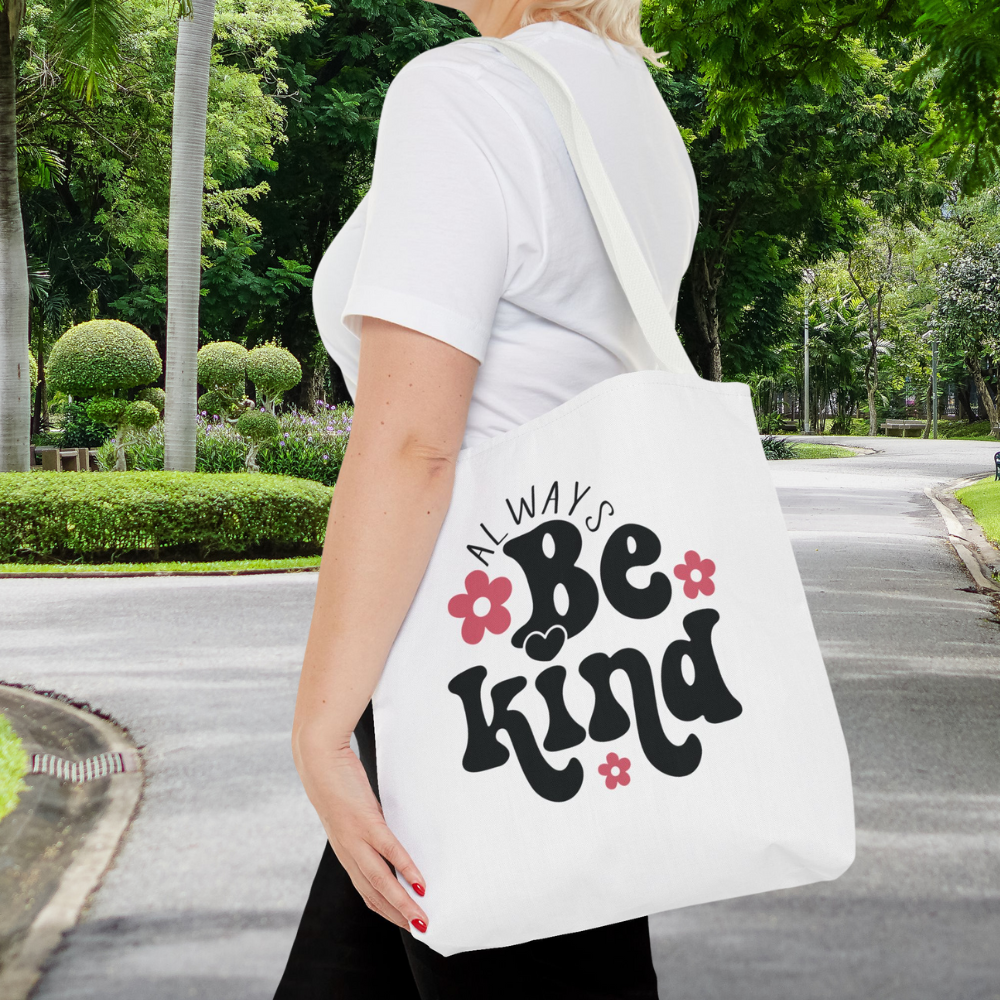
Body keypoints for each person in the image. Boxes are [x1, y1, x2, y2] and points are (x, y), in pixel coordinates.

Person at [273, 0, 699, 996]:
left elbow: (413, 442)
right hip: (577, 661)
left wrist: (321, 727)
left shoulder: (461, 89)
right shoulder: (625, 101)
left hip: (477, 693)